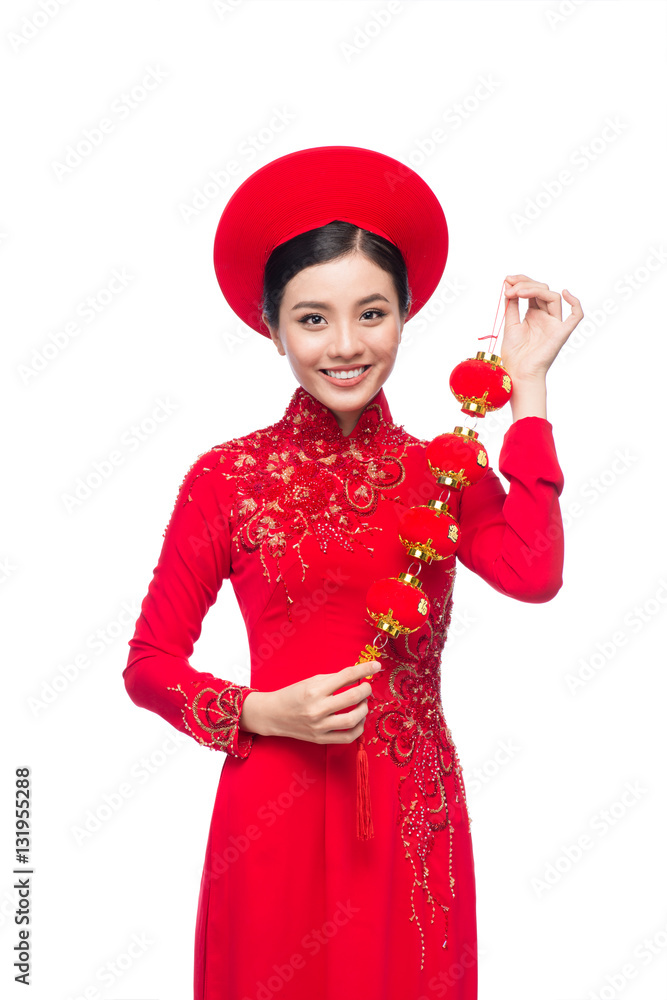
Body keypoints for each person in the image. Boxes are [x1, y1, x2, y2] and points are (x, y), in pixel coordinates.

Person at [122, 146, 583, 1000]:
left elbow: (535, 571)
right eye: (312, 320)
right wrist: (258, 710)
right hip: (272, 806)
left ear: (405, 316)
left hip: (408, 807)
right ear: (272, 328)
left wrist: (526, 393)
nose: (345, 346)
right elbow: (148, 665)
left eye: (371, 313)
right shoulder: (225, 479)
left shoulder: (440, 471)